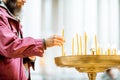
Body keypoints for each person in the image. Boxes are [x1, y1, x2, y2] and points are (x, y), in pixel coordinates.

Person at [0, 0, 65, 80]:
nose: (25, 0)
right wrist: (43, 43)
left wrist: (27, 57)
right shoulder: (1, 17)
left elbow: (12, 55)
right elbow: (10, 46)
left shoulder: (11, 18)